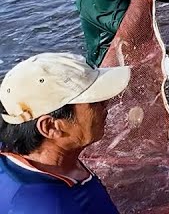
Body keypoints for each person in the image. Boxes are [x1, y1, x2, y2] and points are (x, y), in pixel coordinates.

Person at [0, 53, 131, 213]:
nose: (107, 105)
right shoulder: (53, 206)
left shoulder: (13, 153)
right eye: (95, 102)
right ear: (50, 127)